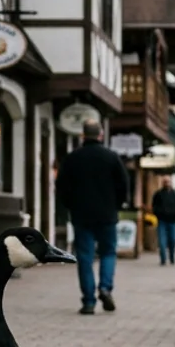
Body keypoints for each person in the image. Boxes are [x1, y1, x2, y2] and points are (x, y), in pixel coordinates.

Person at [54, 119, 127, 314]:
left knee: (85, 257)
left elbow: (61, 187)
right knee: (108, 252)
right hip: (107, 214)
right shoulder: (112, 157)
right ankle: (105, 287)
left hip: (81, 214)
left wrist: (70, 206)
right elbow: (123, 185)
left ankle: (88, 301)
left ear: (83, 135)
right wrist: (116, 205)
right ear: (101, 135)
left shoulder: (72, 158)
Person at [150, 175, 175, 265]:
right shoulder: (158, 194)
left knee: (173, 240)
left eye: (168, 181)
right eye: (165, 181)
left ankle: (172, 256)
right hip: (162, 220)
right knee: (162, 241)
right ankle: (163, 259)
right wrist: (158, 213)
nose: (167, 183)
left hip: (172, 220)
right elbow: (154, 206)